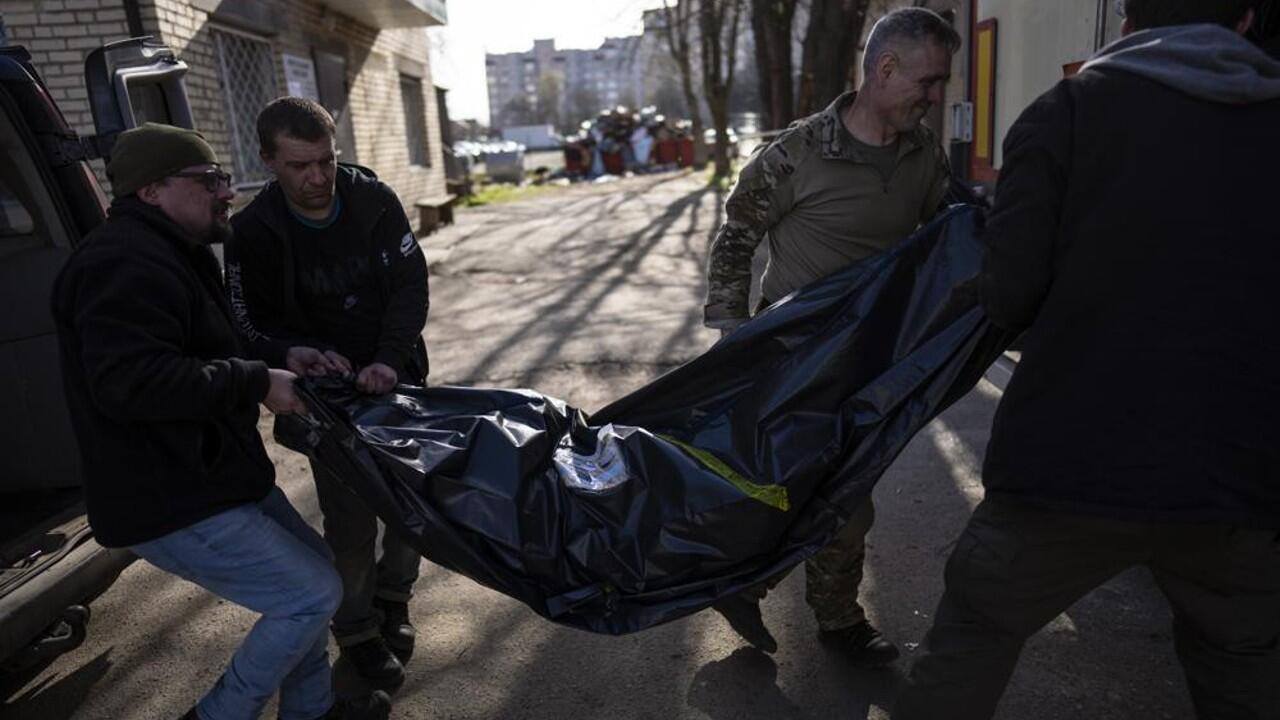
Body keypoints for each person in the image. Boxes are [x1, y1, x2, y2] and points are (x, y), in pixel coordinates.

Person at [893, 2, 1280, 718]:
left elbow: (1009, 295)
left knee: (972, 640)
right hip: (1238, 475)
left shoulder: (1066, 114)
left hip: (1069, 461)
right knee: (1242, 665)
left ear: (1126, 19)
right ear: (1249, 19)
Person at [50, 123, 390, 720]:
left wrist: (279, 357)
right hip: (168, 496)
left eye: (224, 178)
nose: (226, 193)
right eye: (208, 180)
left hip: (219, 477)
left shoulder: (170, 250)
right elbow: (133, 384)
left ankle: (311, 713)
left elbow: (204, 349)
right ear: (152, 191)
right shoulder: (119, 264)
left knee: (314, 585)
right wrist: (258, 382)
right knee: (310, 594)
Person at [702, 7, 959, 666]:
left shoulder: (924, 153)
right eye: (927, 83)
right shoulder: (798, 153)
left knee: (840, 486)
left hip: (877, 356)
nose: (934, 99)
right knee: (837, 495)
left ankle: (749, 583)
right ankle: (836, 620)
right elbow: (736, 237)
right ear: (885, 68)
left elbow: (940, 238)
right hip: (798, 357)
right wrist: (734, 333)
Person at [225, 98, 430, 691]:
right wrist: (293, 352)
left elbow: (410, 288)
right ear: (268, 162)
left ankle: (396, 599)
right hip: (324, 399)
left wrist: (390, 360)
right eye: (299, 166)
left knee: (413, 511)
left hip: (397, 382)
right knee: (350, 524)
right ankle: (359, 630)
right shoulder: (252, 232)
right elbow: (244, 324)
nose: (317, 178)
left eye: (326, 161)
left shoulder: (374, 202)